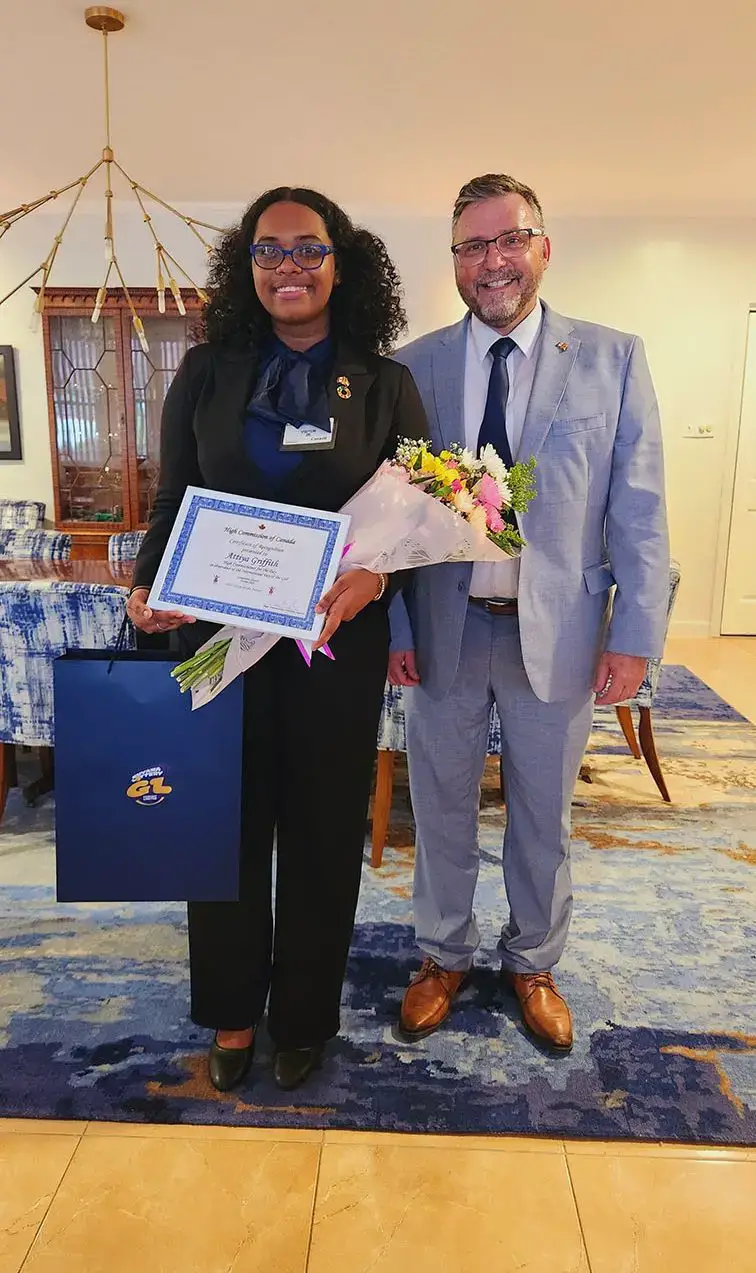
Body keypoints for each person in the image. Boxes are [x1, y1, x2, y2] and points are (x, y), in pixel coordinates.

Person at [127, 187, 427, 1092]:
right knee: (219, 826)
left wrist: (380, 576)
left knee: (324, 832)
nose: (287, 266)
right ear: (245, 266)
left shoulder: (385, 382)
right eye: (268, 251)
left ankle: (302, 1015)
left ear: (341, 261)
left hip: (332, 648)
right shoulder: (208, 372)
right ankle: (229, 1009)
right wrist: (147, 583)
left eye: (306, 248)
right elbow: (173, 493)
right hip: (220, 644)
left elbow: (418, 520)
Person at [389, 173, 669, 1052]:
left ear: (542, 247)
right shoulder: (414, 365)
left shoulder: (612, 357)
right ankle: (443, 953)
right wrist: (395, 629)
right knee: (438, 805)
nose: (493, 260)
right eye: (473, 245)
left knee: (543, 810)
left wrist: (635, 634)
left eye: (509, 239)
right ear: (457, 262)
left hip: (564, 632)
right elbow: (391, 512)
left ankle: (533, 959)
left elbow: (639, 505)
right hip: (444, 629)